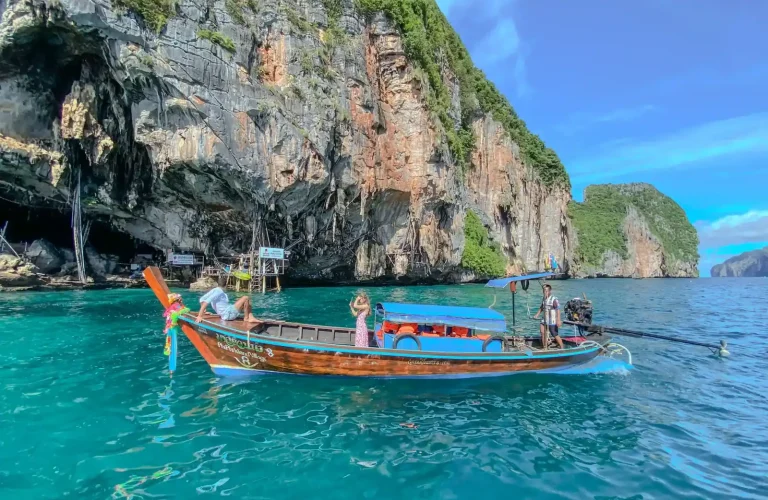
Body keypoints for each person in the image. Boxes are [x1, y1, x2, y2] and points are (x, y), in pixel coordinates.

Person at [533, 284, 564, 349]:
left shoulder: (554, 299)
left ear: (550, 291)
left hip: (552, 319)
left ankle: (562, 347)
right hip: (544, 318)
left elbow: (558, 310)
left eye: (546, 291)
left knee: (554, 333)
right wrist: (537, 314)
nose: (545, 292)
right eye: (544, 291)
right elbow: (542, 307)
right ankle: (544, 347)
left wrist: (558, 320)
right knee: (542, 332)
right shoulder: (544, 298)